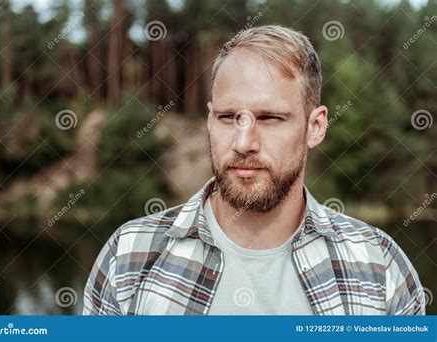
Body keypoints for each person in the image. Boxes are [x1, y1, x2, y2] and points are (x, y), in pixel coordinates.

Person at [83, 24, 425, 315]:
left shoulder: (379, 266)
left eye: (269, 118)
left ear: (315, 127)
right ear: (209, 120)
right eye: (228, 117)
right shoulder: (130, 255)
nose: (243, 142)